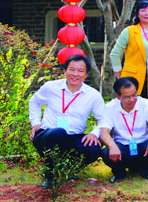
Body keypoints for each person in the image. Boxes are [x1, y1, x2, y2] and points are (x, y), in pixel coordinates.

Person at [29, 55, 105, 189]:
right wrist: (35, 123)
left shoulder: (93, 95)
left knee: (93, 148)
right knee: (58, 133)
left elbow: (104, 119)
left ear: (86, 74)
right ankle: (50, 176)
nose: (75, 74)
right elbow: (34, 101)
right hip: (47, 135)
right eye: (72, 69)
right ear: (64, 71)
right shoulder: (51, 87)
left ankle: (68, 171)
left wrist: (94, 133)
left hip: (74, 138)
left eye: (80, 71)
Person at [100, 77, 148, 183]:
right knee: (106, 152)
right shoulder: (110, 107)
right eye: (127, 97)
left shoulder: (146, 104)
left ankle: (146, 171)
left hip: (143, 146)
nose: (132, 99)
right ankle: (119, 173)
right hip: (122, 148)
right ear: (117, 96)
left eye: (134, 95)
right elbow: (104, 133)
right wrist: (112, 146)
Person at [110, 0, 148, 110]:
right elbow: (115, 54)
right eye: (143, 10)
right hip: (130, 79)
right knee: (129, 110)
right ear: (137, 14)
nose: (147, 13)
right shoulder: (129, 31)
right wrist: (119, 76)